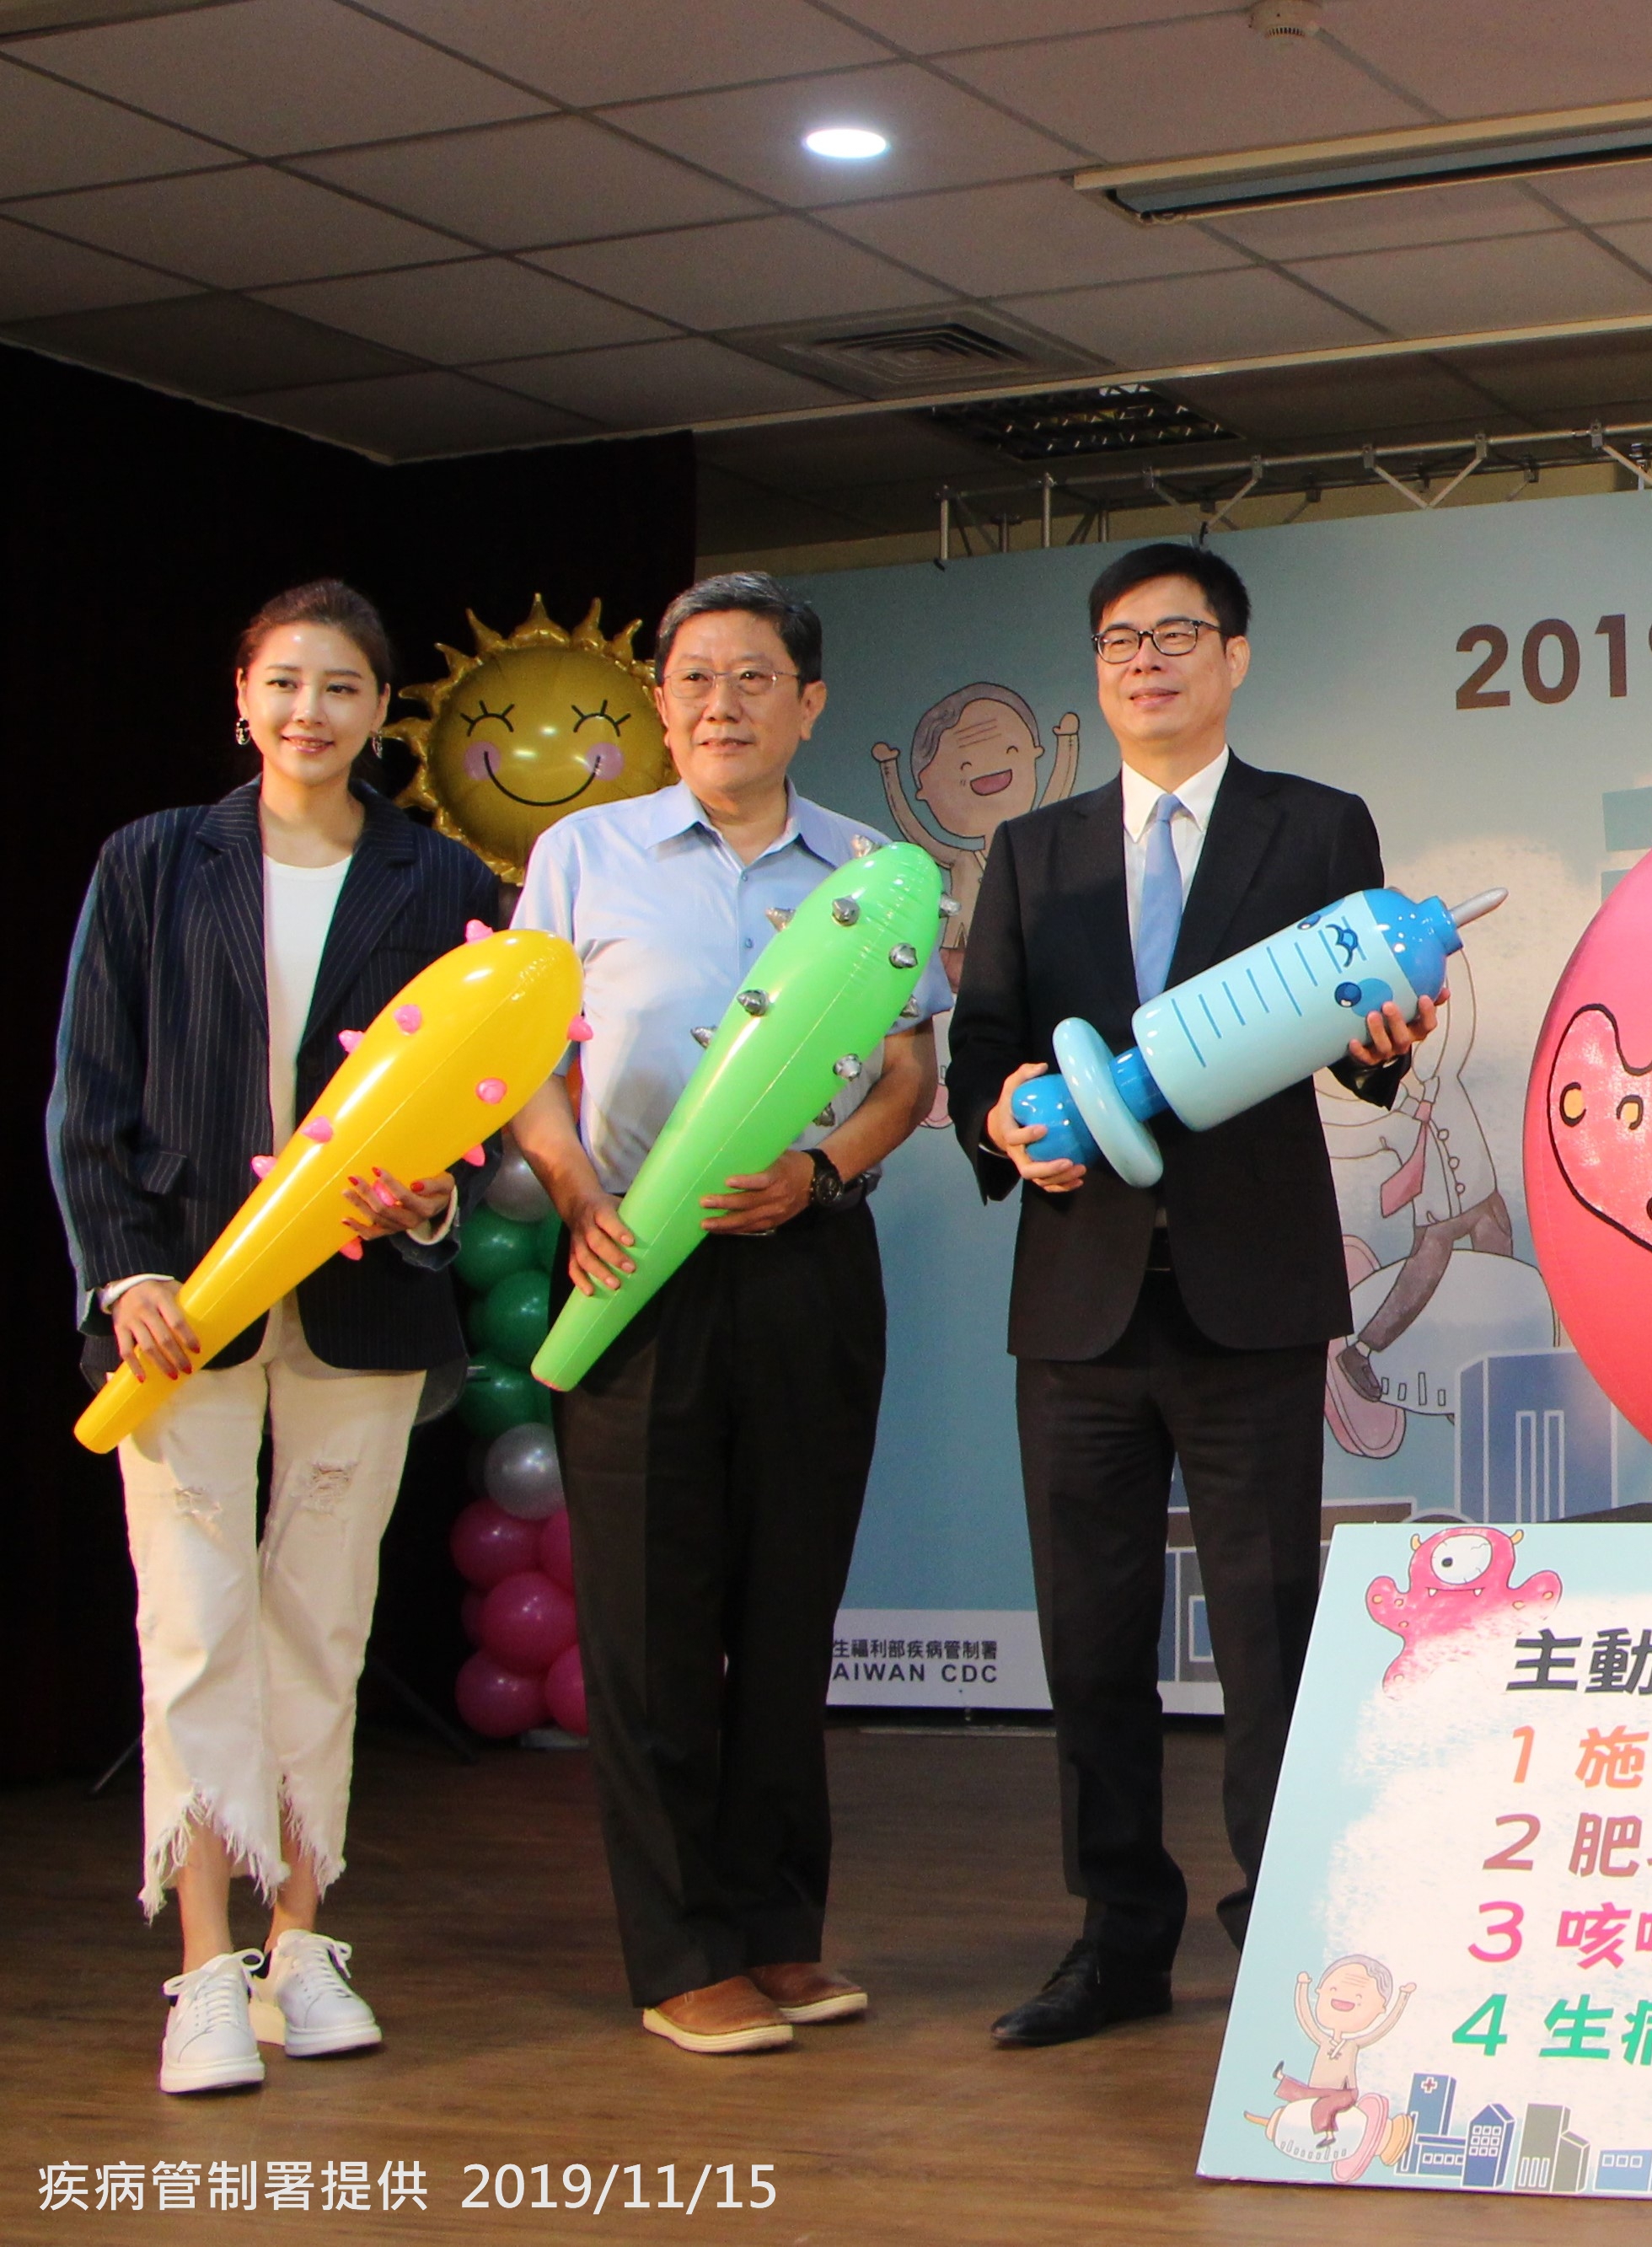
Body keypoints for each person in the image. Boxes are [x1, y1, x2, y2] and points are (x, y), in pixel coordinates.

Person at [946, 543, 1432, 2048]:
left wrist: (1386, 1043)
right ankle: (1116, 1937)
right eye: (1119, 640)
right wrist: (1005, 1120)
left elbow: (1364, 1034)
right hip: (1078, 1300)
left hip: (1251, 1292)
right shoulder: (1034, 849)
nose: (1145, 661)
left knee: (1272, 1626)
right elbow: (982, 1049)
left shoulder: (1317, 824)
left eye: (1175, 634)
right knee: (1089, 1636)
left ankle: (1287, 1924)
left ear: (1235, 657)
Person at [52, 579, 496, 2094]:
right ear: (241, 697)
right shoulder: (150, 861)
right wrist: (123, 1275)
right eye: (285, 682)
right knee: (193, 1626)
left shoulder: (439, 877)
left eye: (343, 687)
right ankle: (201, 1967)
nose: (311, 711)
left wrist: (431, 1199)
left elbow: (474, 1094)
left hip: (364, 1301)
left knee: (324, 1621)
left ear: (381, 713)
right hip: (181, 1308)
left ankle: (302, 1939)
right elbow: (87, 1093)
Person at [507, 572, 942, 2057]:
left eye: (753, 678)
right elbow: (526, 1059)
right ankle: (682, 1949)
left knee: (787, 1605)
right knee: (648, 1618)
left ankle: (777, 1929)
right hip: (629, 1259)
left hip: (806, 1258)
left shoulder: (873, 868)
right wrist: (573, 1188)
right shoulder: (584, 855)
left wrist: (823, 1170)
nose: (719, 704)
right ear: (661, 700)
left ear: (808, 704)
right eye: (693, 677)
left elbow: (910, 1074)